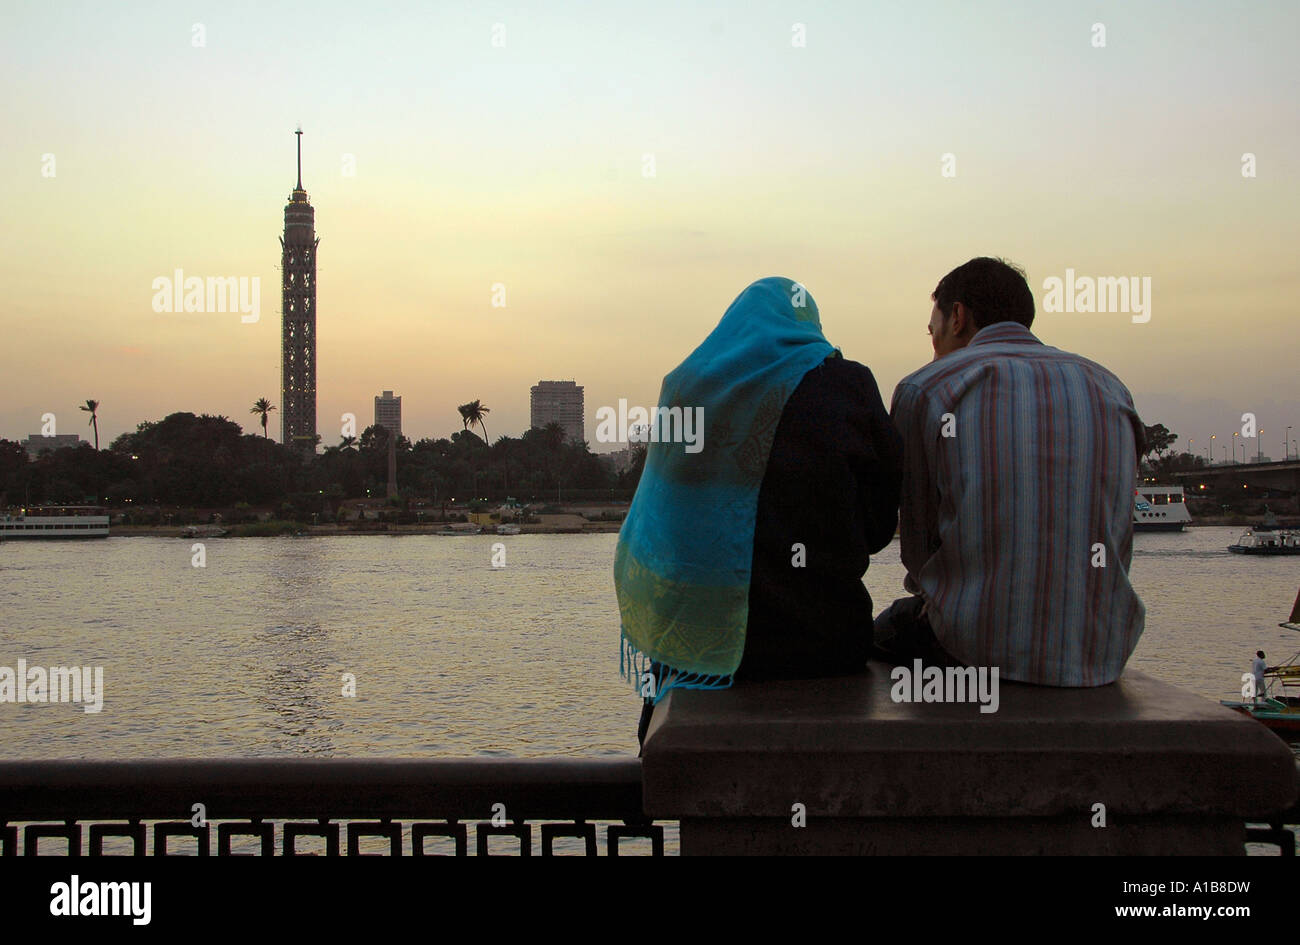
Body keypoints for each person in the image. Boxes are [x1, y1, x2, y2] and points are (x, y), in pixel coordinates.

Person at [615, 277, 902, 749]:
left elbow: (666, 527)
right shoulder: (848, 383)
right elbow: (877, 528)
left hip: (700, 649)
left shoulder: (686, 387)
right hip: (825, 641)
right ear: (810, 324)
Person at [875, 257, 1146, 687]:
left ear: (958, 316)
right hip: (1100, 653)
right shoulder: (1107, 385)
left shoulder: (926, 388)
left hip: (969, 648)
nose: (934, 345)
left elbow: (919, 545)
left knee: (882, 632)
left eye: (934, 330)